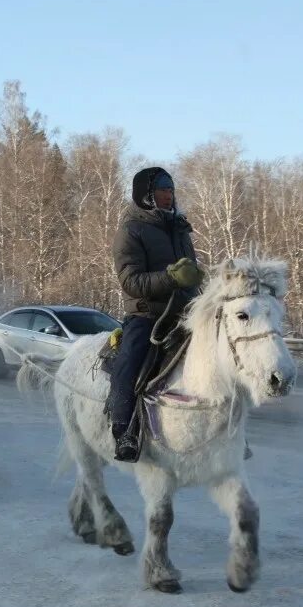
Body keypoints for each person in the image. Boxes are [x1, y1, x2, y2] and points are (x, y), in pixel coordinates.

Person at [108, 167, 204, 462]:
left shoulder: (179, 227)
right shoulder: (131, 230)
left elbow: (190, 272)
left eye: (171, 189)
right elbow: (131, 282)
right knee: (131, 358)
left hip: (185, 313)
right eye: (162, 190)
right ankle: (124, 430)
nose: (169, 195)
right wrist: (172, 278)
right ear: (146, 195)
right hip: (147, 314)